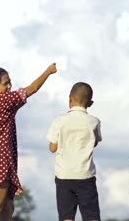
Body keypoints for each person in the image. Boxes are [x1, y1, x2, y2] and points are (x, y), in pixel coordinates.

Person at [0, 63, 57, 221]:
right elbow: (33, 88)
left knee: (8, 208)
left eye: (10, 82)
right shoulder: (2, 100)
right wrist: (48, 71)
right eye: (5, 83)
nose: (9, 86)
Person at [47, 82, 102, 221]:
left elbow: (53, 148)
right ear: (90, 103)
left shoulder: (59, 121)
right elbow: (94, 142)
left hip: (63, 175)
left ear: (69, 98)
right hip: (86, 176)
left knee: (66, 216)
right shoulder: (94, 121)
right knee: (91, 215)